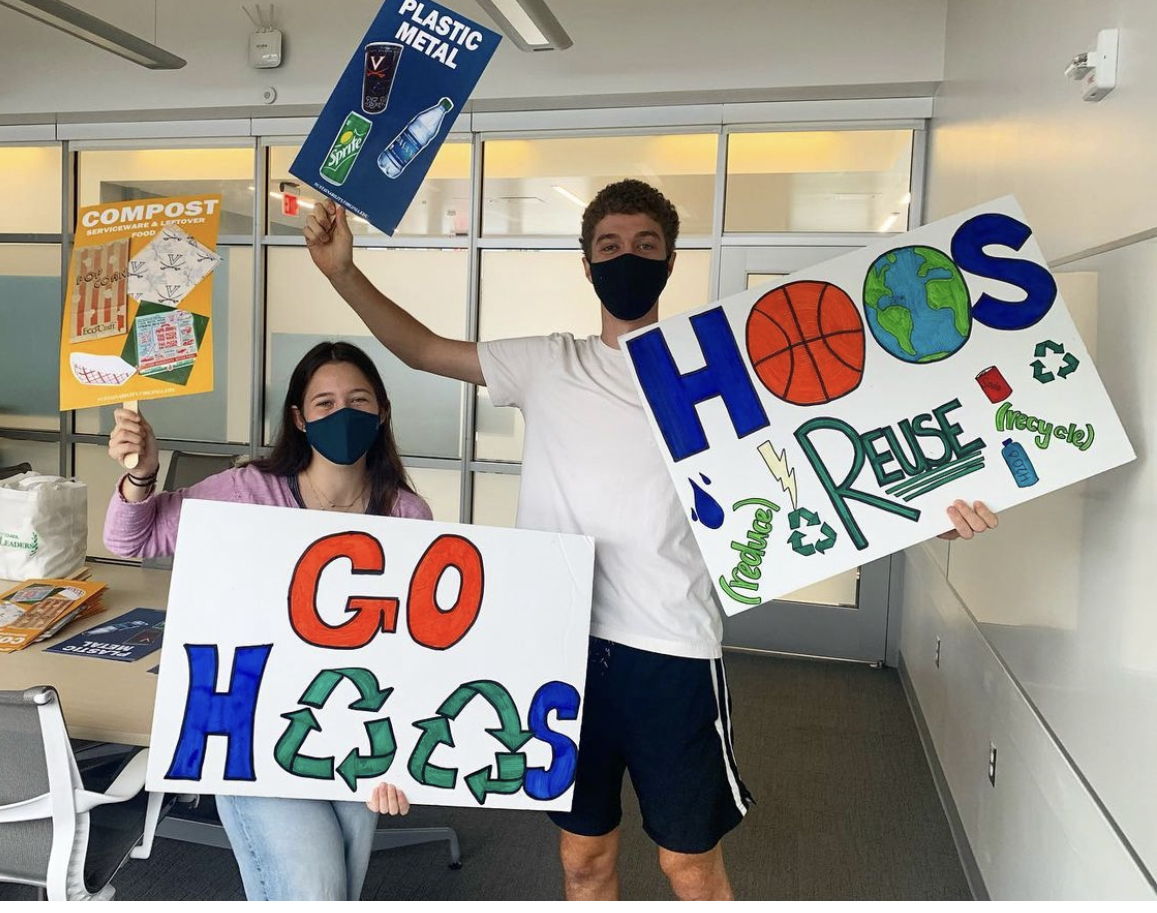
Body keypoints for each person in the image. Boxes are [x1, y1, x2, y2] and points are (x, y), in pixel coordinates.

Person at [304, 179, 998, 901]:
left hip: (671, 650)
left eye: (644, 245)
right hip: (560, 652)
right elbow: (419, 349)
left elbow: (825, 457)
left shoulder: (718, 370)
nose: (626, 258)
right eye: (608, 246)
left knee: (688, 866)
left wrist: (931, 504)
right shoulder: (547, 364)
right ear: (585, 263)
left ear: (670, 261)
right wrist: (343, 272)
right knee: (583, 860)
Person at [103, 340, 425, 901]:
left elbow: (415, 646)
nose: (342, 413)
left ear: (382, 412)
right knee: (315, 889)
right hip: (252, 723)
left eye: (358, 400)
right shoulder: (244, 492)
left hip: (353, 725)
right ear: (299, 419)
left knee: (339, 888)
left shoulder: (406, 513)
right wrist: (142, 476)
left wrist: (400, 756)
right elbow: (133, 539)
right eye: (323, 403)